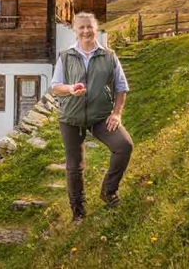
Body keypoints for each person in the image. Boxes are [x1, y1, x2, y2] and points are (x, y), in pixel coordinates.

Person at [51, 11, 133, 225]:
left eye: (89, 26)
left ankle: (108, 191)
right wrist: (70, 89)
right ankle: (78, 212)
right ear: (75, 31)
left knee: (124, 146)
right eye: (81, 27)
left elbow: (121, 87)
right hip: (71, 118)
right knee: (74, 166)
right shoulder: (65, 56)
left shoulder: (109, 56)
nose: (86, 30)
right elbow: (55, 87)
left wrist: (116, 113)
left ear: (96, 28)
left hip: (100, 117)